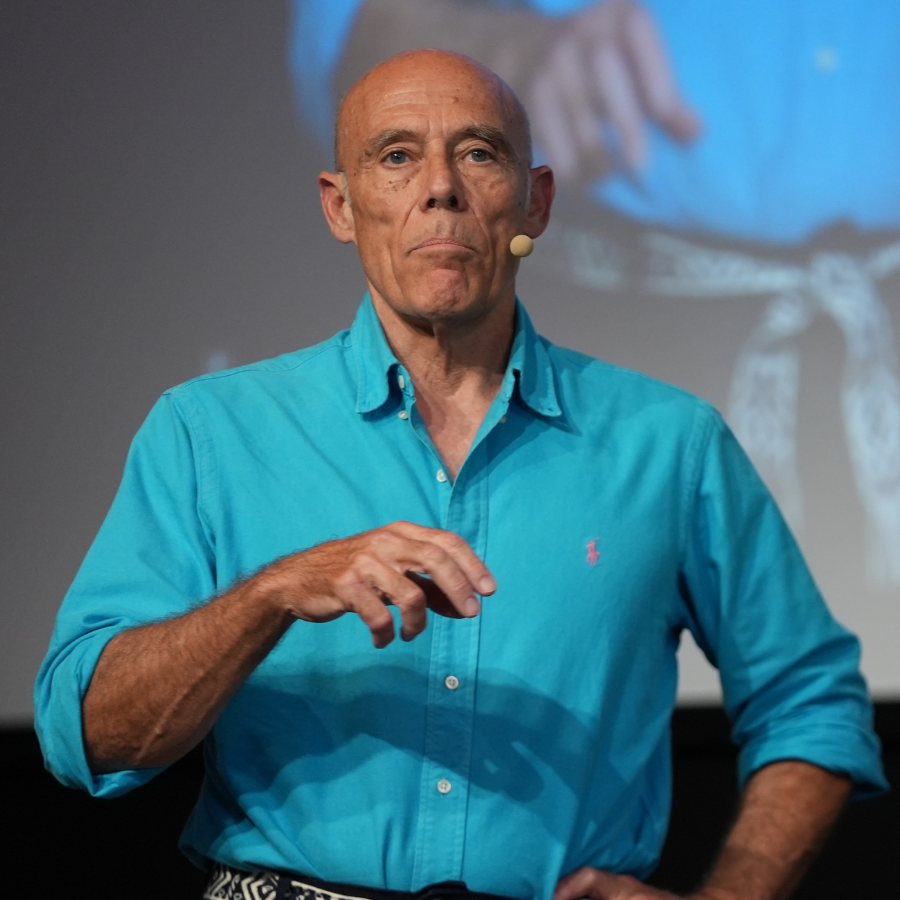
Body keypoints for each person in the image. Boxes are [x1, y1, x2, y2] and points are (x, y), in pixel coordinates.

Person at [36, 50, 885, 900]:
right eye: (396, 156)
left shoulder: (669, 443)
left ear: (536, 200)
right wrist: (272, 594)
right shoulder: (211, 431)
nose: (440, 187)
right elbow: (90, 737)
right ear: (341, 206)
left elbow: (812, 700)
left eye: (478, 153)